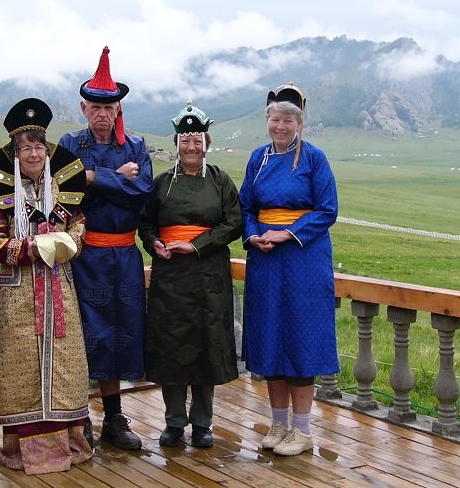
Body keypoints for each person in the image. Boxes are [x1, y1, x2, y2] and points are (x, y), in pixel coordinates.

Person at [0, 97, 93, 474]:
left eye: (39, 147)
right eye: (26, 148)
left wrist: (69, 241)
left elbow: (78, 224)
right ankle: (20, 451)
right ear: (15, 155)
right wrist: (30, 246)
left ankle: (70, 444)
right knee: (22, 365)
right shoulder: (2, 197)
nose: (33, 154)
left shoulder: (63, 189)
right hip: (20, 293)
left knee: (65, 364)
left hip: (59, 288)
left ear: (48, 152)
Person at [58, 46, 153, 450]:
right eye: (95, 106)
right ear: (83, 108)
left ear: (118, 109)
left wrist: (94, 181)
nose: (102, 113)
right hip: (83, 257)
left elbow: (142, 192)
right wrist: (110, 177)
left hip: (125, 257)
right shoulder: (69, 144)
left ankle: (114, 418)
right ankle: (81, 420)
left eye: (109, 106)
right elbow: (67, 193)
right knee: (83, 335)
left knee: (120, 335)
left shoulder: (136, 145)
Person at [239, 84, 339, 456]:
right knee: (269, 337)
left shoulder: (314, 159)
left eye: (287, 120)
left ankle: (302, 429)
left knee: (300, 335)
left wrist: (288, 233)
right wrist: (253, 236)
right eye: (274, 119)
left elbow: (327, 210)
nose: (280, 126)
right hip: (265, 260)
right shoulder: (257, 159)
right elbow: (246, 207)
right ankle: (278, 423)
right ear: (267, 120)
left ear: (299, 122)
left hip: (303, 260)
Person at [139, 100, 242, 448]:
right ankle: (173, 422)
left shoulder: (221, 181)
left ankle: (202, 423)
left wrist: (197, 245)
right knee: (171, 347)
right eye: (185, 139)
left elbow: (234, 223)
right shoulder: (161, 182)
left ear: (207, 143)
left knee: (205, 347)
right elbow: (147, 223)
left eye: (197, 139)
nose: (191, 146)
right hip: (170, 278)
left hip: (209, 276)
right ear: (177, 143)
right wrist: (154, 243)